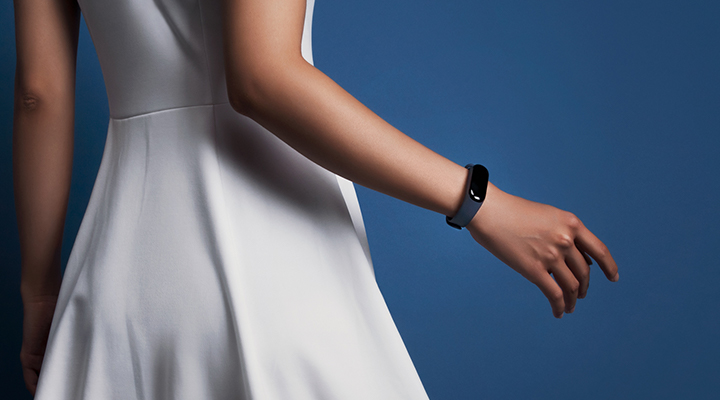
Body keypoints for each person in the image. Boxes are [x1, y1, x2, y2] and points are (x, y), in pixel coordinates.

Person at [13, 0, 619, 398]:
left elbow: (40, 94)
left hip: (122, 270)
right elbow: (262, 77)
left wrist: (40, 293)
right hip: (273, 256)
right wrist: (478, 202)